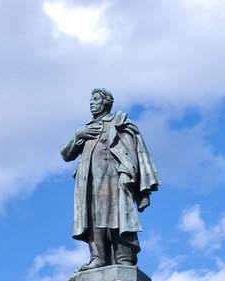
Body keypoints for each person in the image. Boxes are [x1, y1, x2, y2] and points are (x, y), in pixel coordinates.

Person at [61, 88, 160, 271]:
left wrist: (127, 173)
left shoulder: (119, 122)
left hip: (113, 177)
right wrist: (78, 136)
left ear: (106, 102)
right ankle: (97, 257)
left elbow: (130, 150)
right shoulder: (85, 129)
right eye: (90, 100)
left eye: (96, 99)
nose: (92, 103)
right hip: (88, 181)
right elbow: (66, 154)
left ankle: (123, 258)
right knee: (92, 217)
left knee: (117, 215)